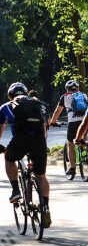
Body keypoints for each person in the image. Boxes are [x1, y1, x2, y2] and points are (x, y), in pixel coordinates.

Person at [0, 83, 51, 227]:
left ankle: (16, 189)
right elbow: (44, 126)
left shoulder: (7, 106)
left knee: (9, 158)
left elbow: (1, 126)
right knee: (41, 176)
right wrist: (43, 144)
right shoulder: (37, 104)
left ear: (10, 95)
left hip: (20, 140)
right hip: (39, 141)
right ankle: (45, 208)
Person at [49, 80, 88, 177]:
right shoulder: (84, 95)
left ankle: (72, 168)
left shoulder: (65, 96)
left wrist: (53, 122)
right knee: (84, 137)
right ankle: (87, 154)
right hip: (85, 120)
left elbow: (57, 111)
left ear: (67, 89)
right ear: (78, 88)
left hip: (73, 122)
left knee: (70, 143)